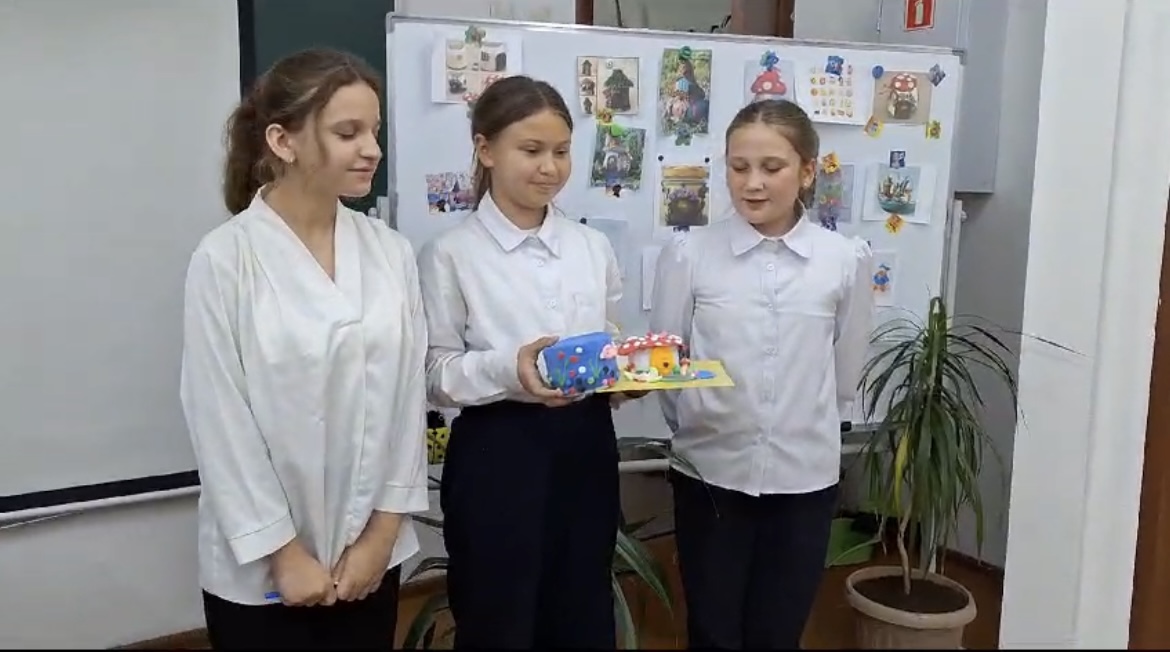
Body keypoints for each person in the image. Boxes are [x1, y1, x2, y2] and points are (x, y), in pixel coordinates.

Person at [179, 48, 428, 650]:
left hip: (370, 555)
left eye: (374, 131)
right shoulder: (226, 259)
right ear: (282, 141)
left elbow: (406, 401)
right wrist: (284, 553)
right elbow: (220, 418)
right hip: (265, 568)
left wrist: (380, 537)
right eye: (348, 133)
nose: (372, 149)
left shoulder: (390, 252)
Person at [416, 75, 638, 649]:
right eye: (531, 150)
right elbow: (434, 375)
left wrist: (623, 379)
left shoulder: (591, 247)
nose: (549, 168)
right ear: (486, 149)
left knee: (583, 609)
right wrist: (508, 369)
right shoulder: (450, 254)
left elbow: (609, 338)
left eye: (561, 151)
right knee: (498, 616)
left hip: (586, 447)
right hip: (497, 453)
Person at [650, 99, 874, 649]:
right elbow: (667, 366)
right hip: (711, 474)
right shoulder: (689, 254)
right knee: (713, 629)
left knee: (779, 629)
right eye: (738, 166)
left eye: (772, 167)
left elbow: (846, 371)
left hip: (804, 479)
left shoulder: (843, 260)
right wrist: (705, 422)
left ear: (807, 171)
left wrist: (803, 424)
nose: (752, 183)